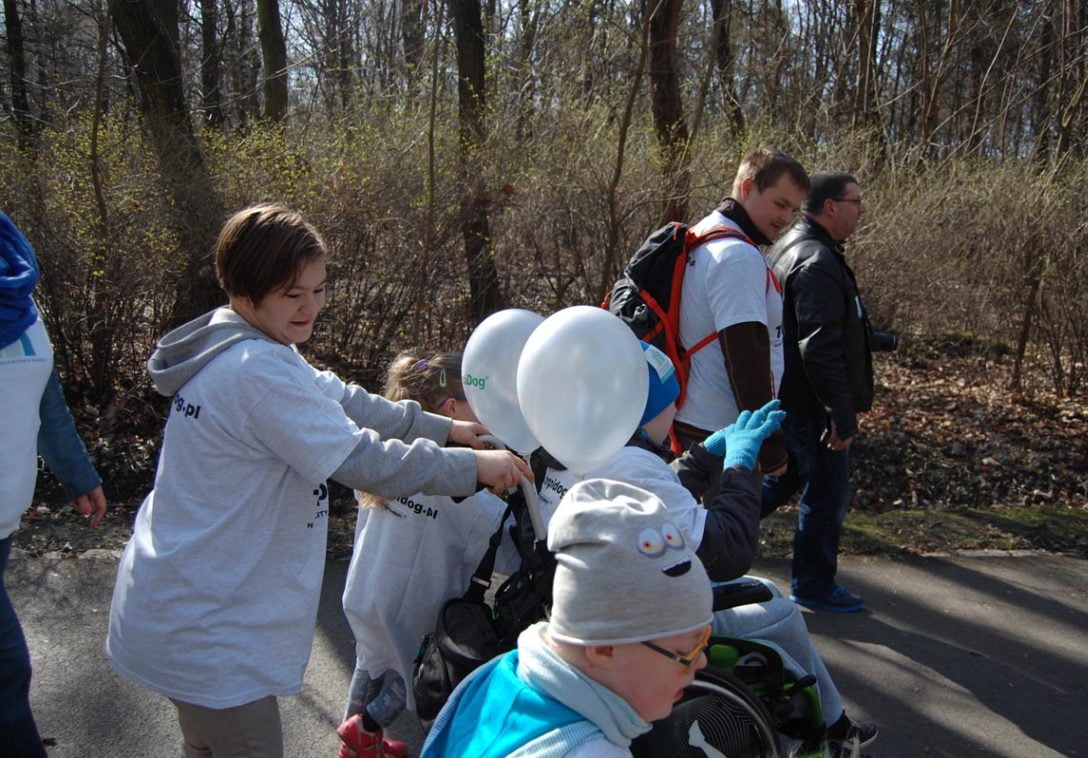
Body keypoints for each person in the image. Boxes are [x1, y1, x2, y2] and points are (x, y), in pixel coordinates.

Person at [105, 203, 531, 758]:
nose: (311, 307)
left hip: (184, 606)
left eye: (319, 289)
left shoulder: (247, 344)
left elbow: (341, 398)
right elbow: (362, 460)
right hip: (210, 629)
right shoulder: (254, 372)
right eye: (293, 294)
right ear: (246, 288)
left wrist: (442, 426)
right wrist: (470, 468)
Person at [538, 344, 876, 752]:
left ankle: (834, 722)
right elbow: (726, 550)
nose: (675, 412)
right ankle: (826, 729)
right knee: (779, 610)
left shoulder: (574, 450)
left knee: (765, 590)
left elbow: (652, 503)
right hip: (639, 622)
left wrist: (702, 457)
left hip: (599, 599)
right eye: (670, 404)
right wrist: (741, 463)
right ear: (639, 411)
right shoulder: (631, 464)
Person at [422, 477, 715, 757]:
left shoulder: (501, 673)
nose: (701, 661)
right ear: (603, 647)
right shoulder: (590, 753)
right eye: (687, 649)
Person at [337, 352, 523, 757]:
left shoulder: (388, 464)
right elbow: (508, 557)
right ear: (452, 411)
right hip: (417, 616)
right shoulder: (468, 494)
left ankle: (355, 738)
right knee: (413, 682)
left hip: (365, 593)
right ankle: (369, 727)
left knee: (369, 662)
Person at [764, 172, 898, 613]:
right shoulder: (817, 260)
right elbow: (818, 347)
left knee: (777, 484)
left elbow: (824, 328)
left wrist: (873, 340)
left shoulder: (794, 248)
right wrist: (840, 414)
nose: (862, 209)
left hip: (793, 398)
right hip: (810, 406)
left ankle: (703, 540)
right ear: (829, 207)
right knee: (827, 496)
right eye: (856, 201)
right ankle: (814, 586)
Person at [1, 212, 107, 757]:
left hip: (1, 524)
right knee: (7, 673)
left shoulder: (19, 290)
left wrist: (78, 475)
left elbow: (45, 399)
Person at [673, 148, 811, 496]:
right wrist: (767, 442)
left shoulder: (704, 234)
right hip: (726, 436)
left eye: (794, 210)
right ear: (747, 186)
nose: (786, 219)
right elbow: (747, 358)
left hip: (692, 422)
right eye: (780, 204)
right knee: (724, 546)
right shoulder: (737, 256)